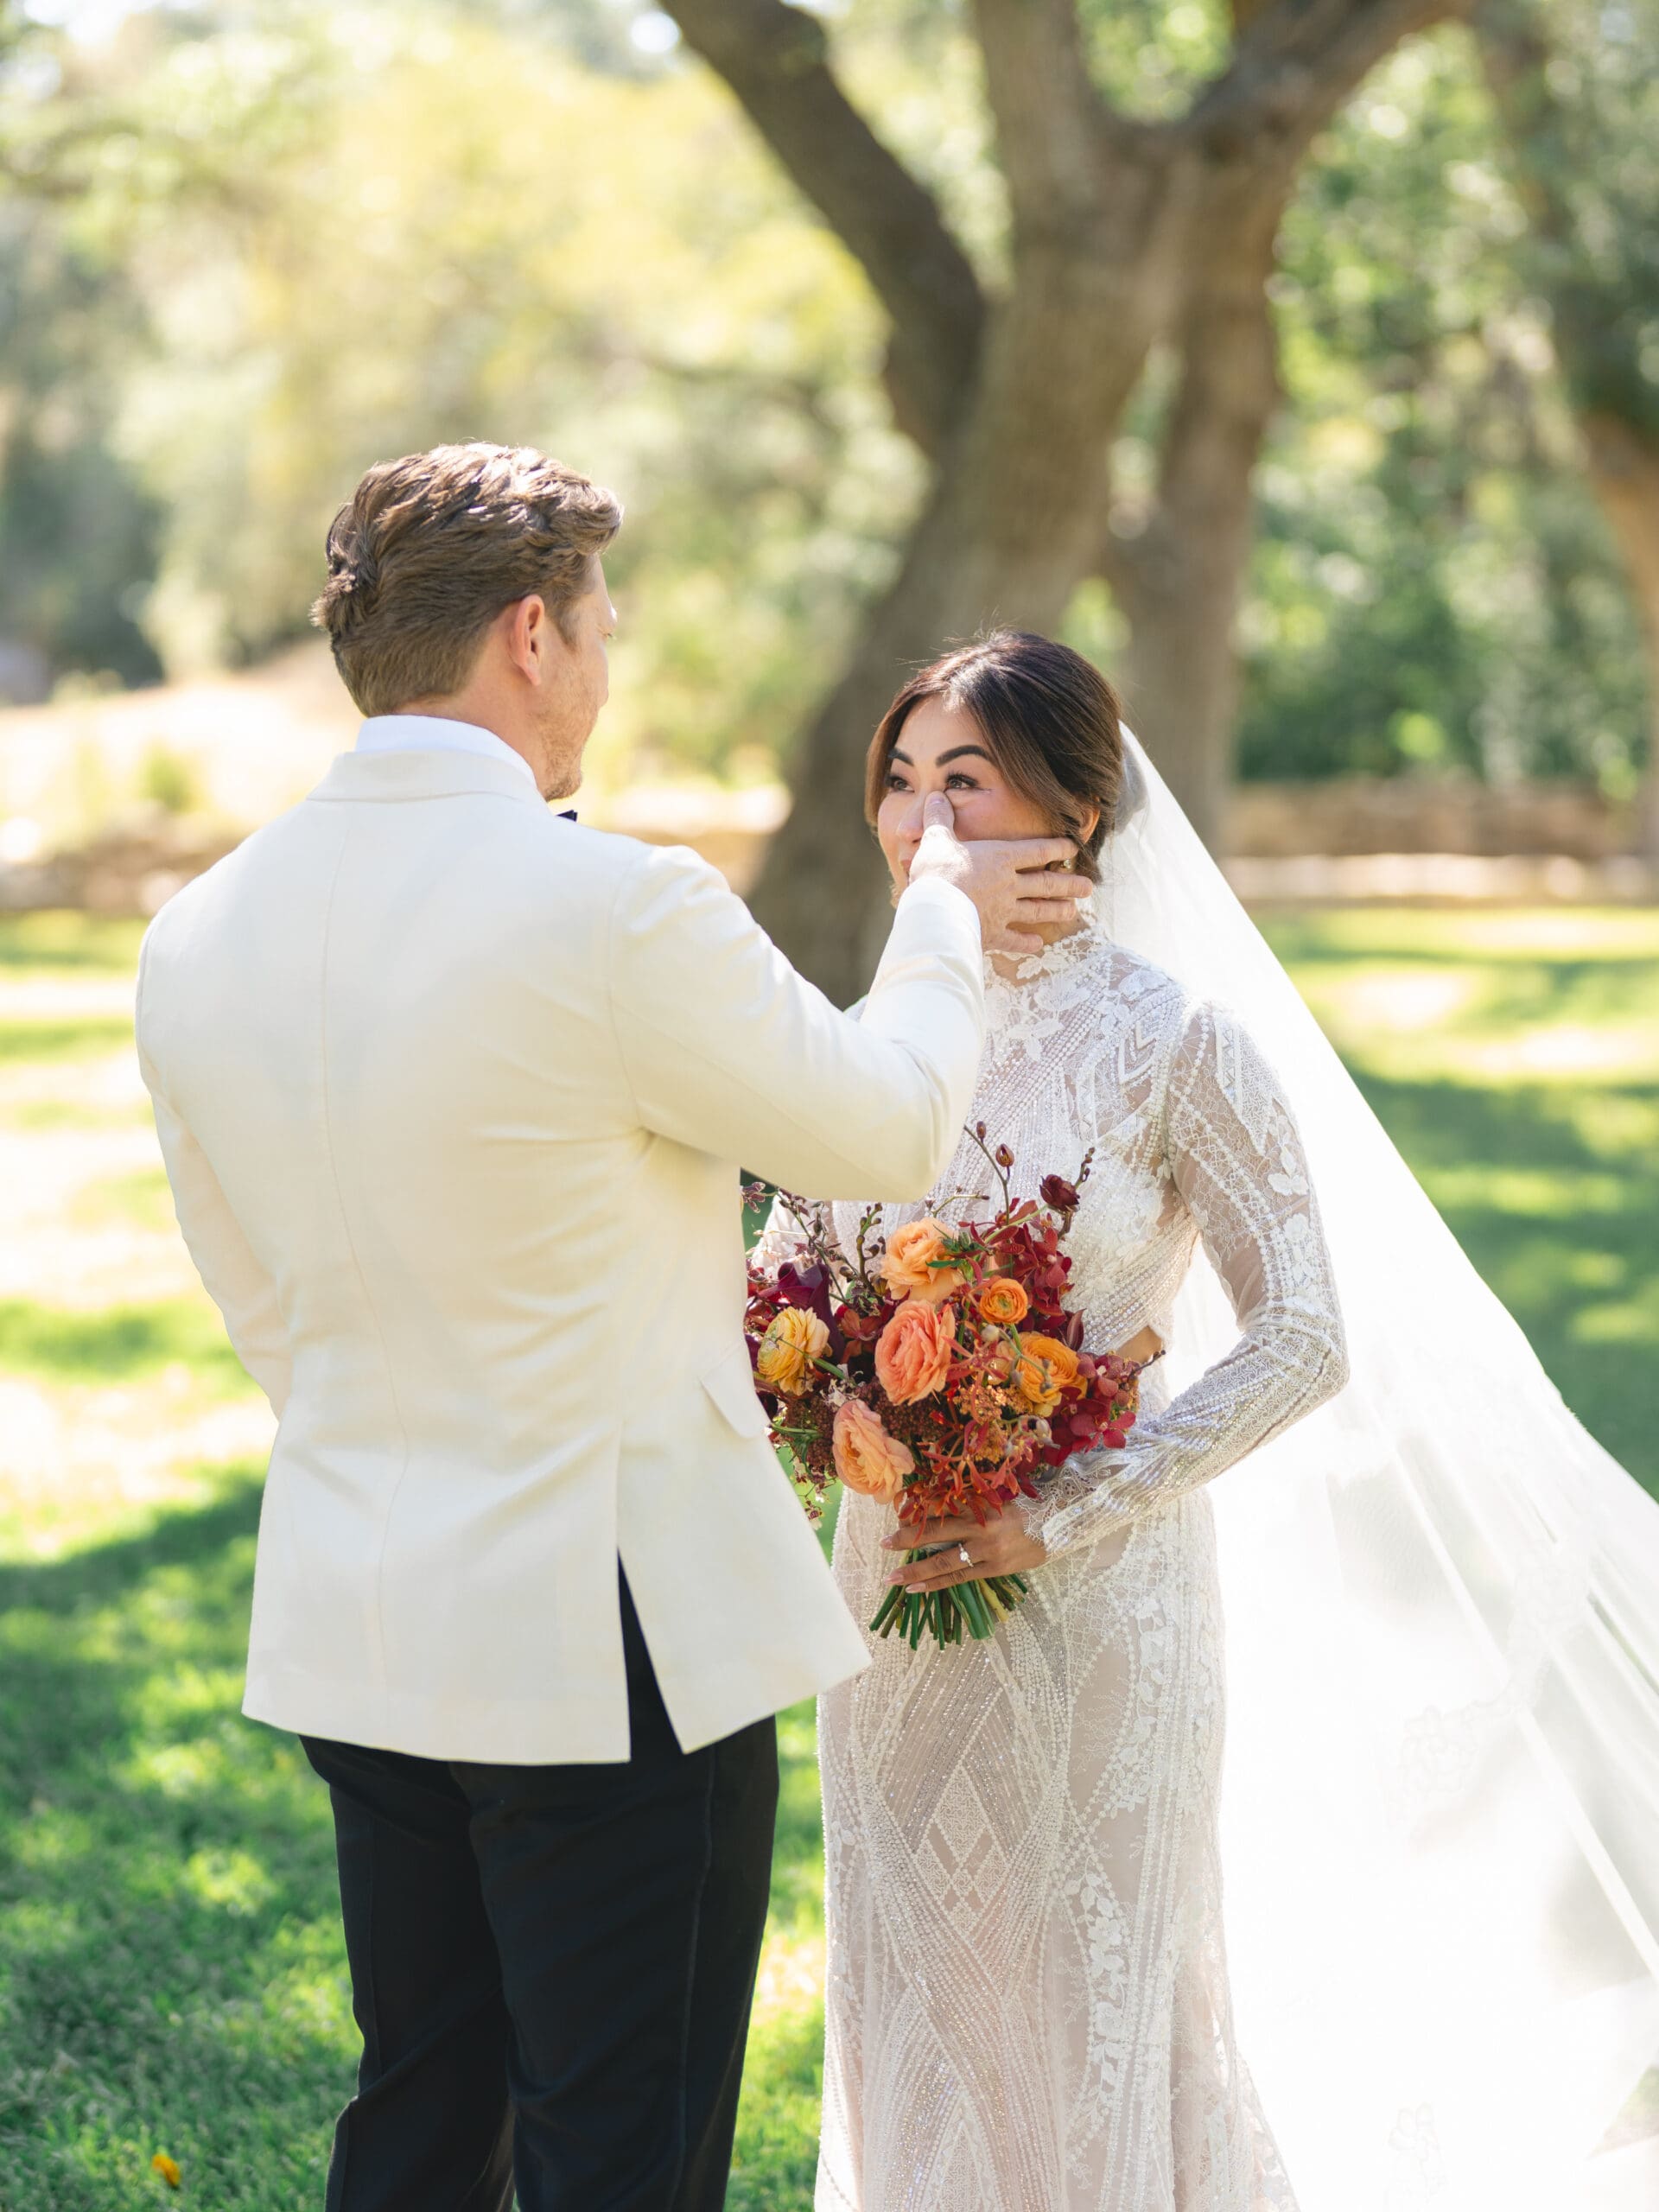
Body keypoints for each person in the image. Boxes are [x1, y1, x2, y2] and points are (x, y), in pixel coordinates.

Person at [134, 445, 1093, 2212]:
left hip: (364, 1597)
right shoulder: (614, 906)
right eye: (602, 622)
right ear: (529, 635)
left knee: (421, 2116)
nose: (609, 657)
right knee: (622, 2151)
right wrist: (944, 908)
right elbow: (885, 1123)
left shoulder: (193, 935)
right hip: (611, 1632)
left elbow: (256, 1292)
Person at [760, 630, 1659, 2211]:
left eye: (963, 783)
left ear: (1076, 812)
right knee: (925, 1997)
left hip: (1106, 1601)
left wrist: (1072, 1501)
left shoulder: (1173, 1041)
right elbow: (782, 1289)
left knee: (1106, 1995)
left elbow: (1306, 1334)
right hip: (891, 1604)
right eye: (899, 785)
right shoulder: (873, 1034)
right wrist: (824, 1374)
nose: (919, 826)